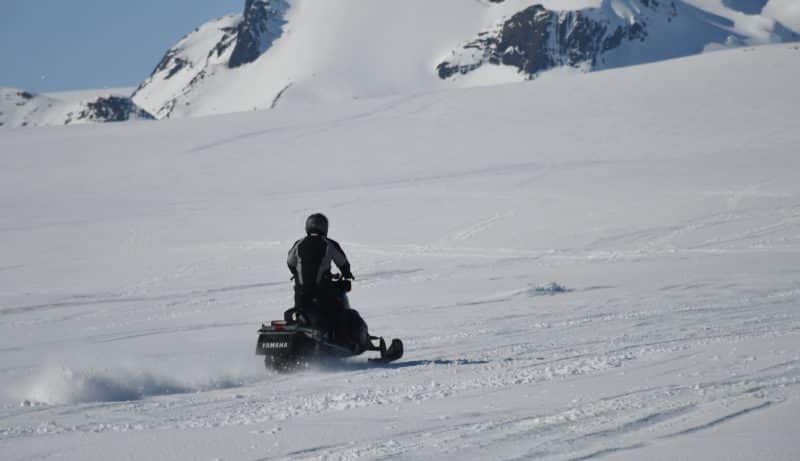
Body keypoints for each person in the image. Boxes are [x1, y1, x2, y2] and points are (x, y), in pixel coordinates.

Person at [287, 213, 360, 346]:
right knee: (339, 311)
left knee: (301, 311)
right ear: (324, 228)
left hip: (301, 294)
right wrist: (346, 273)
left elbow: (290, 262)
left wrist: (297, 273)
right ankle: (343, 341)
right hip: (321, 292)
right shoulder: (328, 243)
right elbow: (342, 261)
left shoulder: (299, 243)